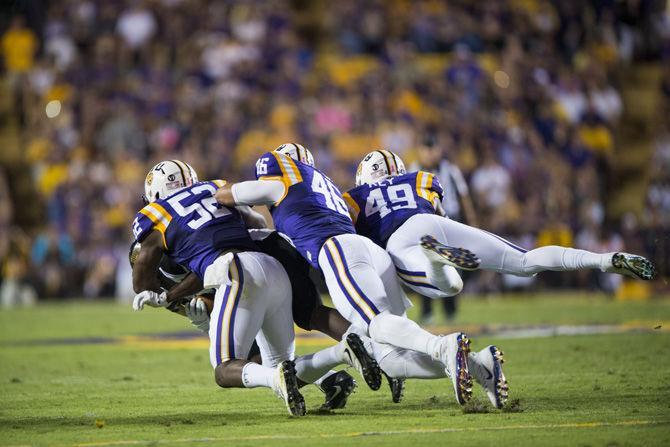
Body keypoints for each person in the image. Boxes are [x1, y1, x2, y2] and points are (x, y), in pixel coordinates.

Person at [214, 143, 477, 406]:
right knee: (389, 354)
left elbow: (228, 195)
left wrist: (210, 193)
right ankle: (480, 366)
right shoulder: (326, 187)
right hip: (367, 251)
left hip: (331, 250)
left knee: (373, 329)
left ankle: (438, 347)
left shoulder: (288, 181)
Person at [130, 160, 377, 416]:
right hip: (272, 267)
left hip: (236, 273)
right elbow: (256, 222)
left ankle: (278, 380)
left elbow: (141, 283)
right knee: (278, 362)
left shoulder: (154, 214)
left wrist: (167, 296)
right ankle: (342, 353)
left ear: (155, 194)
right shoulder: (214, 187)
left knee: (225, 369)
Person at [129, 235, 358, 411]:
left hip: (253, 266)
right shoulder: (162, 285)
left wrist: (195, 310)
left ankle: (369, 345)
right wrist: (206, 323)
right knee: (270, 362)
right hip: (263, 273)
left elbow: (209, 270)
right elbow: (212, 314)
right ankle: (336, 369)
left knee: (230, 366)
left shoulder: (178, 256)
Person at [409, 134, 477, 322]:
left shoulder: (450, 170)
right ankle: (427, 311)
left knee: (452, 264)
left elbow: (463, 196)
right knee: (425, 265)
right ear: (420, 151)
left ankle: (450, 311)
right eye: (426, 149)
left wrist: (471, 221)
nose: (430, 154)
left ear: (439, 150)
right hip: (426, 221)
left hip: (450, 219)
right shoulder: (413, 170)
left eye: (433, 149)